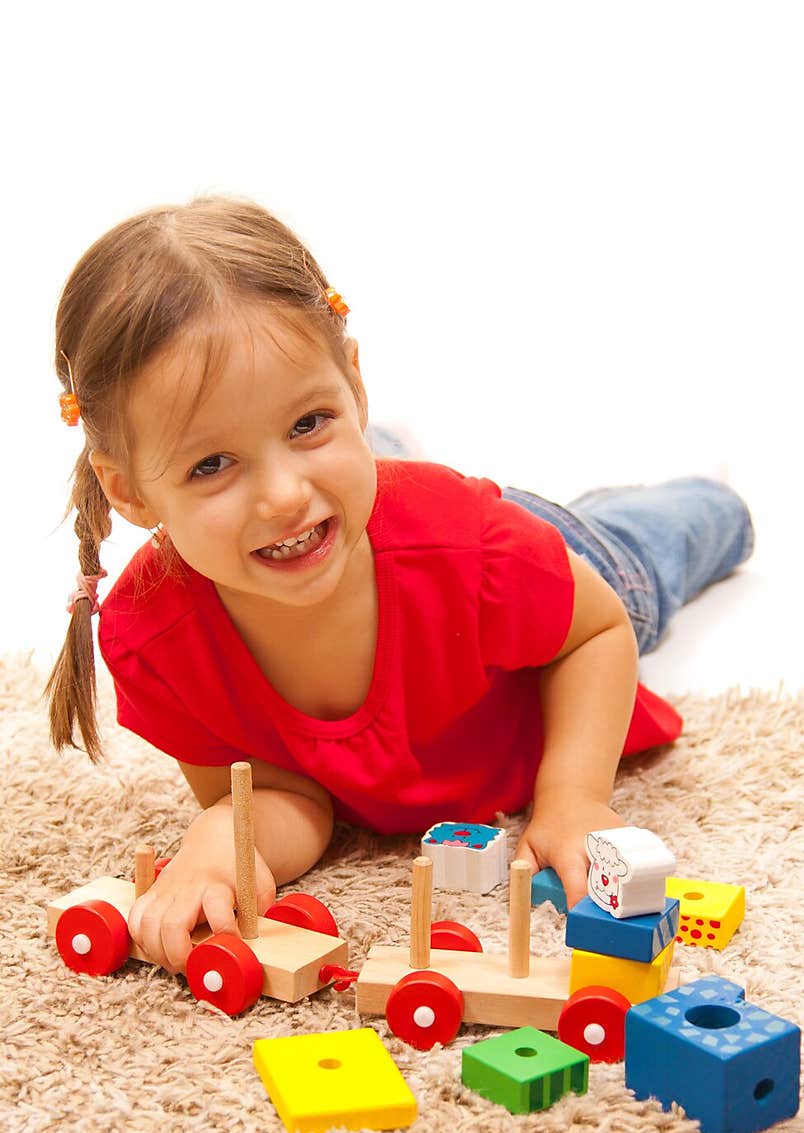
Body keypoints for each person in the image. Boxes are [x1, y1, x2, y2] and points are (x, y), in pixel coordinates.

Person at [45, 195, 754, 976]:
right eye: (212, 464)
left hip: (510, 555)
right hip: (378, 528)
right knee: (330, 501)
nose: (281, 494)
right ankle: (363, 449)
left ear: (353, 378)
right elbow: (292, 794)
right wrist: (228, 840)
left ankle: (712, 491)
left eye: (309, 421)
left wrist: (573, 796)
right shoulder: (157, 641)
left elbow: (598, 630)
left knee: (647, 553)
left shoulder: (473, 548)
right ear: (131, 493)